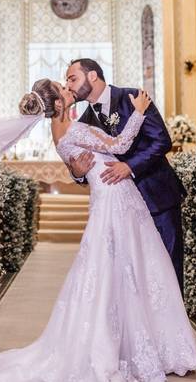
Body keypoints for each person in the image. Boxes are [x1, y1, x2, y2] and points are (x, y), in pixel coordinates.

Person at [0, 79, 196, 382]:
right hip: (113, 198)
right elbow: (119, 146)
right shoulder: (74, 129)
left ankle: (132, 343)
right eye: (64, 89)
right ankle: (123, 348)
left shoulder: (60, 131)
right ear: (58, 105)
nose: (69, 90)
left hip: (112, 196)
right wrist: (137, 113)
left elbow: (80, 161)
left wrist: (78, 168)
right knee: (120, 266)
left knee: (121, 267)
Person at [65, 58, 186, 289]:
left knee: (168, 269)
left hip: (156, 198)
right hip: (122, 208)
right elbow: (81, 164)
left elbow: (162, 140)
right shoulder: (84, 121)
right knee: (132, 275)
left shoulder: (132, 98)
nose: (69, 85)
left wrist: (130, 166)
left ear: (92, 76)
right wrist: (78, 173)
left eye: (72, 78)